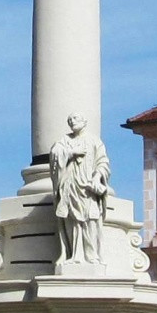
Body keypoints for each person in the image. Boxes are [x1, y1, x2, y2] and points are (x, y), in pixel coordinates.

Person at [49, 112, 111, 267]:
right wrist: (71, 153)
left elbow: (103, 162)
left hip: (88, 189)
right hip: (70, 187)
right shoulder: (64, 140)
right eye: (69, 120)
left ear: (85, 121)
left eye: (75, 118)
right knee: (71, 220)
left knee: (91, 220)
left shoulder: (94, 141)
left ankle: (91, 255)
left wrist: (97, 177)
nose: (71, 121)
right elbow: (55, 154)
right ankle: (73, 254)